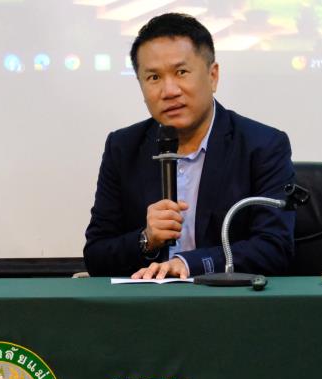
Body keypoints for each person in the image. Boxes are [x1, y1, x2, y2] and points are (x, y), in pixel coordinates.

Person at [83, 12, 296, 279]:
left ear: (213, 76)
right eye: (154, 78)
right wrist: (146, 239)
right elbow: (97, 255)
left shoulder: (262, 145)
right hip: (147, 300)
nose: (169, 90)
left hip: (226, 300)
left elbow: (274, 248)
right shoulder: (123, 148)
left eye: (181, 72)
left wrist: (189, 263)